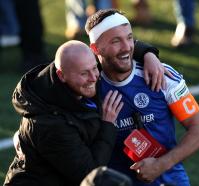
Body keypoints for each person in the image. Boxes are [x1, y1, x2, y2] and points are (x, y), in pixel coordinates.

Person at [85, 9, 199, 186]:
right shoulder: (88, 86)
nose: (127, 47)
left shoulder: (163, 75)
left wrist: (161, 165)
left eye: (129, 38)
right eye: (116, 41)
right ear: (96, 49)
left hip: (169, 180)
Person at [4, 40, 124, 186]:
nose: (94, 77)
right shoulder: (49, 124)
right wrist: (108, 125)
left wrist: (147, 54)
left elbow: (117, 50)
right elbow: (91, 176)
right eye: (84, 73)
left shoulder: (75, 75)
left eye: (94, 68)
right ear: (61, 75)